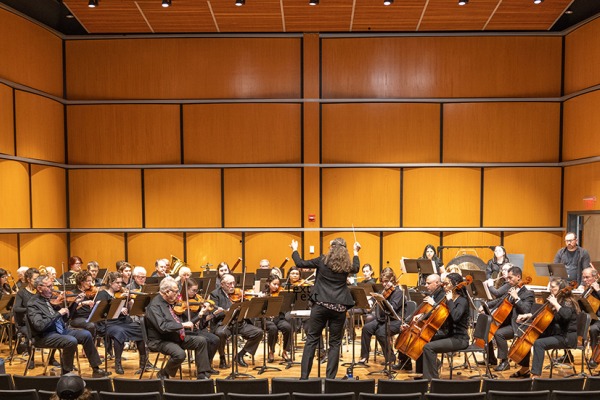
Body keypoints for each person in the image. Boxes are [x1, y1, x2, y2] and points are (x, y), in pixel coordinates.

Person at [291, 237, 360, 379]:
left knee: (311, 340)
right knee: (335, 343)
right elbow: (357, 268)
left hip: (321, 305)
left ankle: (304, 378)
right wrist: (356, 252)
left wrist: (294, 249)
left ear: (331, 248)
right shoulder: (347, 264)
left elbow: (300, 263)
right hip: (339, 307)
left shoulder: (322, 260)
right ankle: (330, 379)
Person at [27, 275, 109, 377]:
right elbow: (39, 326)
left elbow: (65, 319)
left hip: (60, 331)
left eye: (52, 285)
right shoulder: (33, 304)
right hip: (44, 336)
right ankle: (66, 373)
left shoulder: (48, 299)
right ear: (39, 288)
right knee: (71, 341)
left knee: (86, 334)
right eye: (49, 286)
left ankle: (96, 369)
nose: (52, 289)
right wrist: (58, 313)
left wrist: (74, 303)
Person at [145, 276, 212, 380]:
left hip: (173, 336)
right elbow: (162, 327)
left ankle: (202, 374)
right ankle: (163, 373)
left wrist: (199, 314)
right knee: (180, 354)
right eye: (175, 292)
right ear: (167, 292)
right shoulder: (154, 306)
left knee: (201, 341)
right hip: (160, 340)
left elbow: (175, 322)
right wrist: (182, 325)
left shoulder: (169, 303)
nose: (178, 295)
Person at [511, 278, 579, 378]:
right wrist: (528, 315)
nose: (550, 289)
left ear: (561, 288)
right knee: (529, 336)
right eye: (550, 287)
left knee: (539, 343)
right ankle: (525, 368)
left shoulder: (568, 302)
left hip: (567, 337)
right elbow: (543, 314)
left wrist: (555, 304)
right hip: (556, 333)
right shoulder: (557, 299)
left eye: (553, 287)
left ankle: (536, 375)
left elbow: (566, 315)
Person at [95, 271, 149, 375]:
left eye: (121, 282)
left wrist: (130, 303)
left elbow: (129, 311)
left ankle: (143, 364)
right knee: (119, 332)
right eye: (117, 283)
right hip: (108, 323)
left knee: (140, 330)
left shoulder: (122, 292)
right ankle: (117, 364)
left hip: (123, 321)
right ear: (110, 283)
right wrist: (118, 308)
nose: (120, 285)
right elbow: (100, 310)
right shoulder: (102, 294)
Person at [485, 266, 535, 371]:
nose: (508, 280)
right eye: (507, 278)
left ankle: (504, 362)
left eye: (510, 278)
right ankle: (491, 358)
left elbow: (526, 310)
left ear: (518, 277)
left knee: (499, 333)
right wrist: (486, 305)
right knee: (489, 327)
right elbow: (501, 300)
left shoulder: (528, 294)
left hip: (518, 325)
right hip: (508, 322)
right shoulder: (512, 289)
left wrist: (516, 298)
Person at [422, 272, 470, 380]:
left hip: (460, 339)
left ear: (455, 284)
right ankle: (428, 373)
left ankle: (432, 380)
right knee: (424, 339)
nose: (444, 286)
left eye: (447, 283)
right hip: (449, 334)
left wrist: (449, 301)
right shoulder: (450, 299)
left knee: (428, 347)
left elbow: (456, 317)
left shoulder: (461, 301)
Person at [209, 273, 263, 369]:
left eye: (233, 283)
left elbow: (247, 307)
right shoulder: (215, 294)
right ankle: (222, 357)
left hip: (239, 322)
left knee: (258, 332)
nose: (232, 286)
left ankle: (240, 355)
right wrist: (228, 310)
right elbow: (214, 312)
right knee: (220, 333)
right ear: (222, 284)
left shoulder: (239, 293)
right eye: (229, 284)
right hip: (224, 323)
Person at [394, 273, 445, 372]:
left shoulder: (442, 296)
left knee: (419, 340)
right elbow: (427, 312)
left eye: (428, 283)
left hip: (438, 328)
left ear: (437, 283)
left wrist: (433, 304)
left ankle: (430, 365)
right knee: (404, 331)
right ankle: (406, 362)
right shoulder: (433, 294)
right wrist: (413, 319)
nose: (426, 285)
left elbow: (439, 315)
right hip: (428, 323)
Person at [358, 267, 405, 366]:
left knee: (381, 333)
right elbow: (373, 299)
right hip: (383, 319)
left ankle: (390, 358)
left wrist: (384, 301)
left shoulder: (398, 292)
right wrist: (370, 301)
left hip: (396, 321)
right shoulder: (383, 291)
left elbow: (393, 308)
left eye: (386, 282)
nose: (384, 284)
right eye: (382, 282)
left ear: (392, 280)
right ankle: (364, 357)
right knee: (366, 328)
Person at [176, 278, 220, 373]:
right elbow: (182, 322)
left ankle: (207, 365)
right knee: (206, 340)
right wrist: (199, 314)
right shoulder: (178, 302)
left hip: (196, 330)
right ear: (186, 289)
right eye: (193, 290)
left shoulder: (197, 300)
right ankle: (203, 368)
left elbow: (202, 322)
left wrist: (212, 314)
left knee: (215, 339)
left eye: (197, 290)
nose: (196, 293)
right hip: (185, 331)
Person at [262, 274, 292, 362]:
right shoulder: (263, 293)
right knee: (273, 329)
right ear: (268, 283)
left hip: (279, 318)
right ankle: (271, 351)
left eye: (278, 284)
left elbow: (286, 306)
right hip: (267, 319)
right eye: (274, 284)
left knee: (288, 327)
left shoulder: (281, 293)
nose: (276, 286)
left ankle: (285, 351)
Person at [69, 271, 98, 338]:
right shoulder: (73, 293)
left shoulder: (91, 292)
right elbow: (71, 310)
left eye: (91, 281)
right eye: (88, 281)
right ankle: (89, 346)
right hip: (77, 318)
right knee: (91, 325)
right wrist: (82, 303)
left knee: (103, 323)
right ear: (82, 282)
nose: (91, 284)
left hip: (90, 317)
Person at [582, 267, 600, 368]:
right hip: (594, 319)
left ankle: (595, 358)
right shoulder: (588, 289)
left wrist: (598, 290)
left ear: (595, 277)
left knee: (593, 328)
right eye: (583, 278)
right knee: (592, 328)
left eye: (587, 277)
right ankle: (594, 356)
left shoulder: (597, 288)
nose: (585, 280)